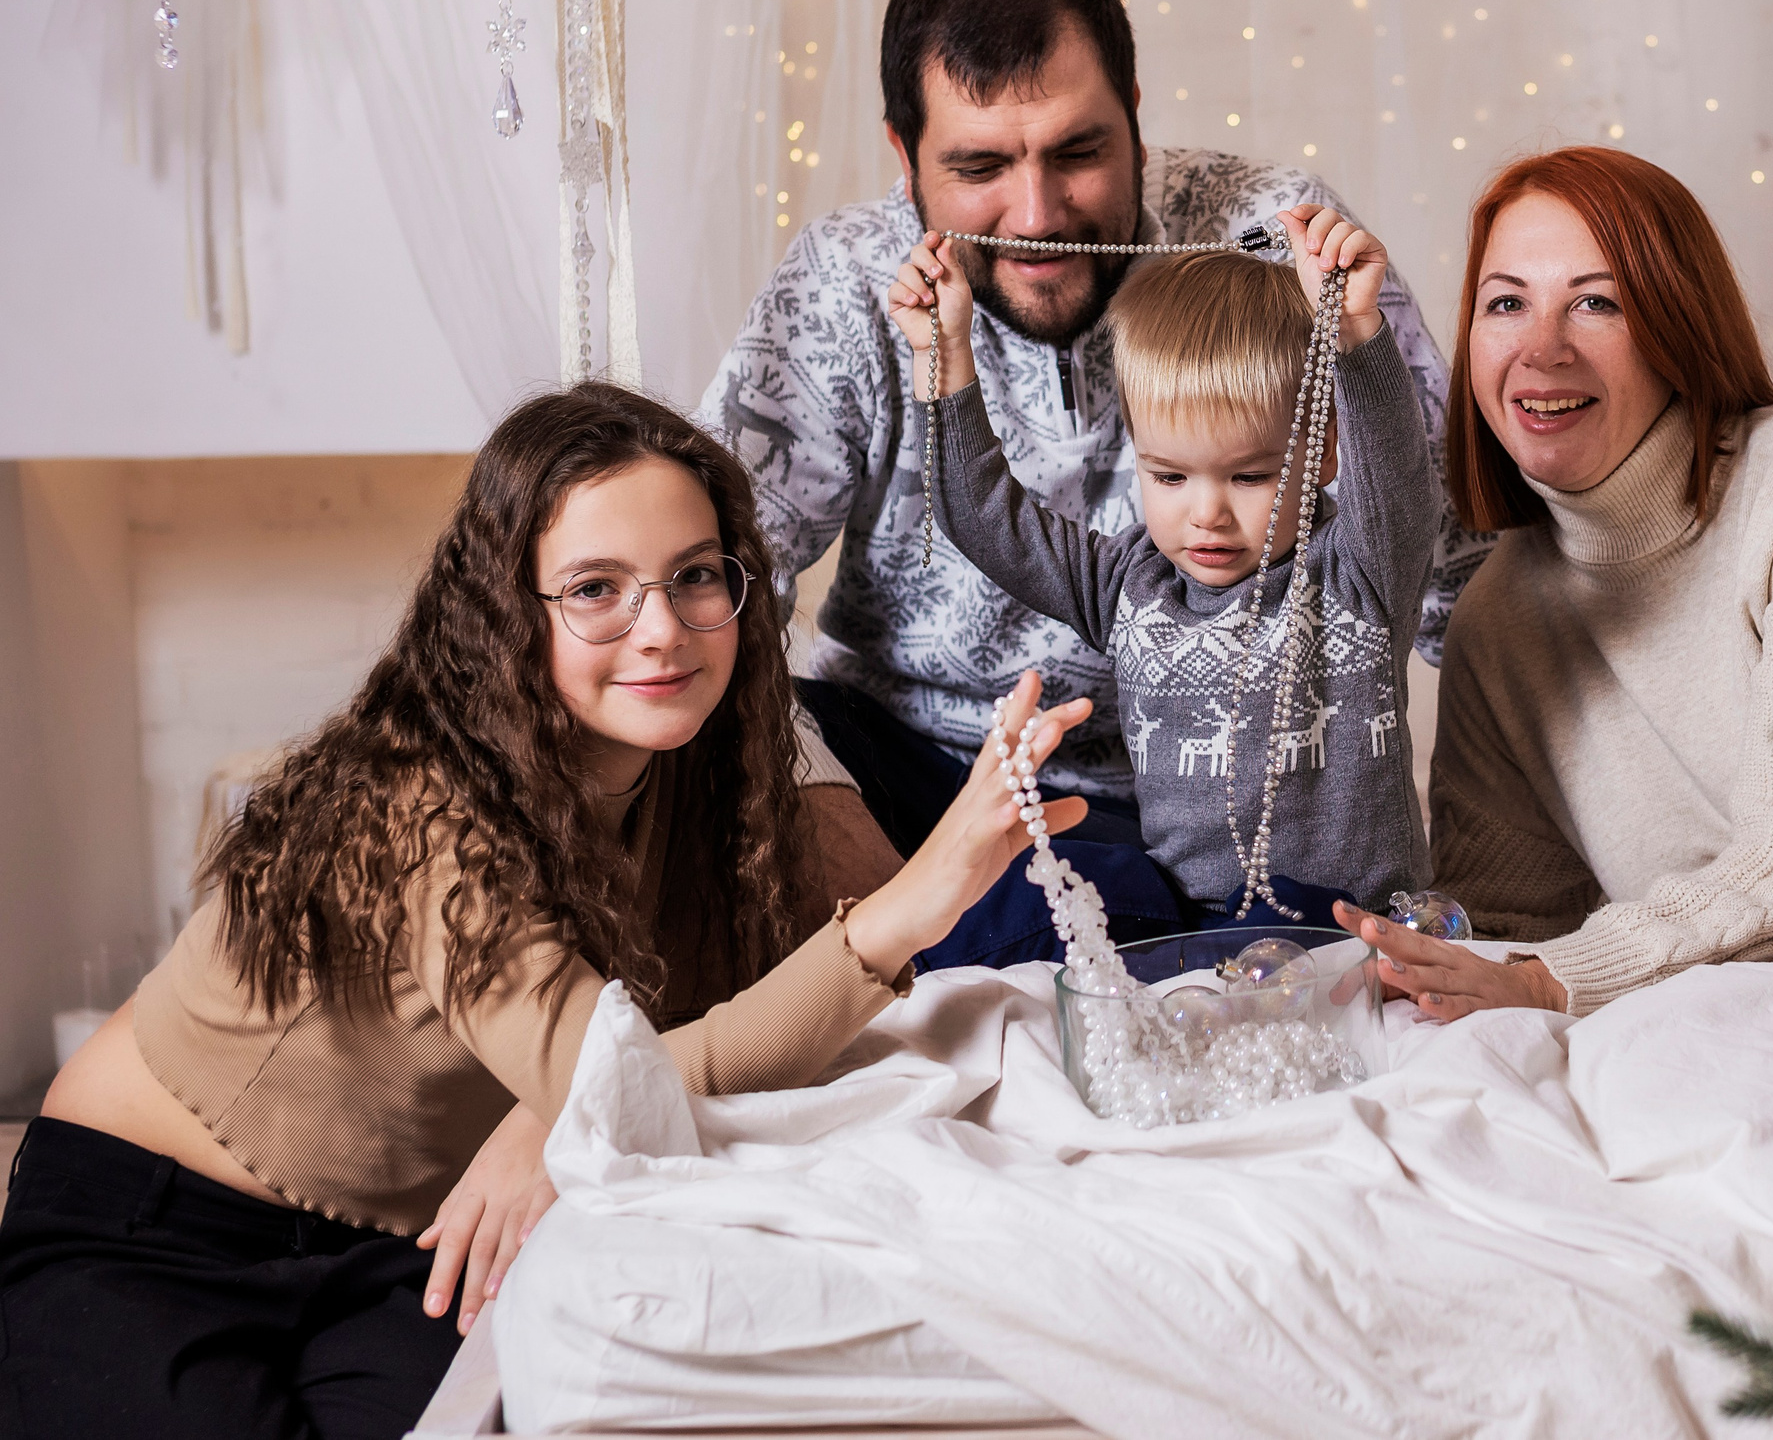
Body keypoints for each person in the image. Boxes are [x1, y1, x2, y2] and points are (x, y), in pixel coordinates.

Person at [0, 384, 1093, 1440]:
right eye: (595, 588)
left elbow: (653, 1058)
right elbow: (615, 1079)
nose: (660, 629)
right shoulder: (422, 801)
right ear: (503, 611)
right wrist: (902, 913)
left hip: (413, 1243)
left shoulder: (704, 774)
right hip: (154, 1223)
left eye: (694, 577)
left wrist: (549, 1119)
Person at [699, 0, 1488, 933]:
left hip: (1158, 819)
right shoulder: (842, 283)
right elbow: (710, 582)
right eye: (979, 165)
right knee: (740, 745)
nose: (1037, 214)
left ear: (1137, 121)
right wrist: (816, 808)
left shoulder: (1272, 240)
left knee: (1097, 915)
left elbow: (1445, 553)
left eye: (1077, 152)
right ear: (904, 161)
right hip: (900, 762)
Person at [1334, 147, 1773, 1019]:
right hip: (1748, 1021)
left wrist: (1547, 980)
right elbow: (1511, 924)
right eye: (1507, 303)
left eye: (1596, 302)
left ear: (1676, 326)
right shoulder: (1496, 619)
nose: (1543, 348)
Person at [882, 205, 1433, 943]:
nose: (1206, 513)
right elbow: (987, 518)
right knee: (1034, 888)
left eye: (1249, 475)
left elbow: (1396, 472)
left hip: (1353, 929)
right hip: (1192, 926)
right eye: (1169, 476)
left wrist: (1358, 328)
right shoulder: (1128, 585)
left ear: (1323, 455)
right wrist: (942, 351)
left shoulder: (1358, 573)